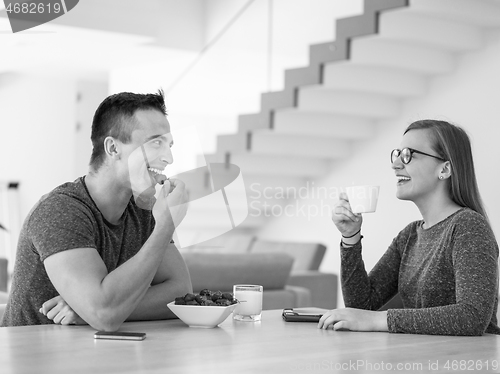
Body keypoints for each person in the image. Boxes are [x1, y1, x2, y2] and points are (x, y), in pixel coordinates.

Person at [1, 90, 193, 330]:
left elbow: (181, 293)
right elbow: (104, 315)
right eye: (156, 143)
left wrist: (91, 311)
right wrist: (166, 226)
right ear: (113, 148)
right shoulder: (61, 211)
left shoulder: (144, 210)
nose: (169, 158)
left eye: (169, 145)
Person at [320, 119, 500, 336]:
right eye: (397, 154)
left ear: (444, 169)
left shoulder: (468, 227)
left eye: (408, 155)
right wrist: (350, 237)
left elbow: (472, 316)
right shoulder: (409, 236)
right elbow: (361, 305)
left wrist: (380, 319)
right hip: (423, 358)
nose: (396, 164)